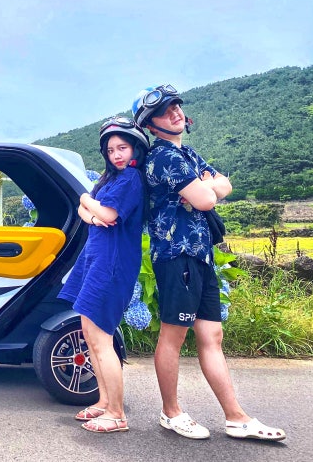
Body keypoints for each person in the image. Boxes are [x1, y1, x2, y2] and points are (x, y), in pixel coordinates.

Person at [132, 84, 286, 441]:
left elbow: (224, 185)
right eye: (164, 110)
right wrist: (205, 188)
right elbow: (205, 200)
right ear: (150, 124)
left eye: (176, 106)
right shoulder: (163, 157)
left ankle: (236, 418)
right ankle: (171, 412)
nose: (175, 112)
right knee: (173, 334)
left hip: (201, 256)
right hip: (177, 256)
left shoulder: (187, 154)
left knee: (212, 335)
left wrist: (208, 187)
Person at [58, 116, 149, 433]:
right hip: (96, 260)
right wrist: (91, 210)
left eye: (122, 147)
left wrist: (86, 199)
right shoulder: (112, 180)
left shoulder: (131, 179)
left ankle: (117, 413)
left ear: (135, 147)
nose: (116, 155)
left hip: (112, 264)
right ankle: (103, 401)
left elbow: (106, 212)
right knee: (90, 334)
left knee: (100, 338)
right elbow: (88, 214)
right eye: (110, 150)